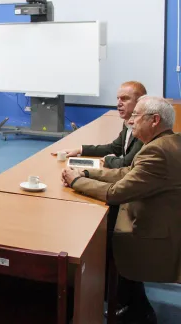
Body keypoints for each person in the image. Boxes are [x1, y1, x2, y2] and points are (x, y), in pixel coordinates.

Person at [61, 96, 181, 324]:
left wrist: (76, 183)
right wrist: (87, 174)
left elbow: (117, 192)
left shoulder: (156, 152)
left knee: (97, 240)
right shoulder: (165, 143)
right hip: (161, 220)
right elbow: (126, 174)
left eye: (137, 116)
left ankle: (133, 307)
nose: (131, 121)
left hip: (156, 236)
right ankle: (129, 302)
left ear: (155, 120)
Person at [53, 81, 147, 169]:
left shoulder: (144, 128)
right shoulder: (128, 122)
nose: (118, 104)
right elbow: (114, 148)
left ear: (140, 102)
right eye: (118, 99)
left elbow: (127, 163)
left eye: (125, 99)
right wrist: (80, 150)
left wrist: (107, 160)